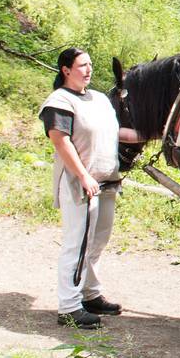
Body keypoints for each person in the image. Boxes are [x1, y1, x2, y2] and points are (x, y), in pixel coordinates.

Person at [40, 47, 139, 329]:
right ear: (66, 70)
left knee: (98, 241)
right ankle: (69, 307)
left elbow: (114, 132)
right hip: (79, 184)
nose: (88, 70)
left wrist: (149, 135)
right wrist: (83, 176)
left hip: (107, 182)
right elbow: (60, 140)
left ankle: (89, 293)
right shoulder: (59, 101)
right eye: (82, 65)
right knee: (78, 243)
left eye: (90, 65)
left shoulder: (98, 99)